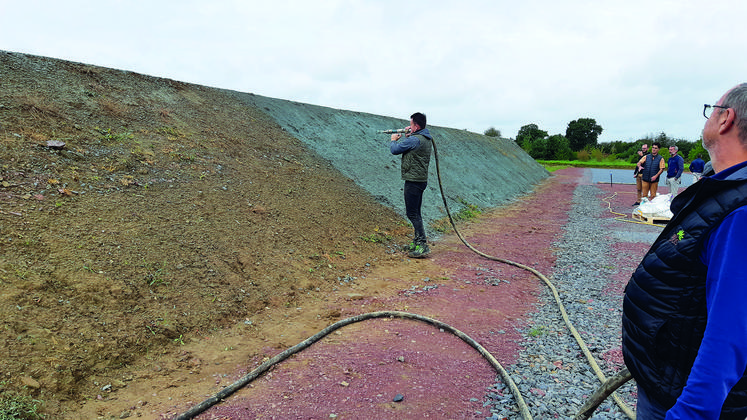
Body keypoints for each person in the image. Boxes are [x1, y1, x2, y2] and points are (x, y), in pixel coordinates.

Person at [622, 83, 747, 419]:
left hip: (677, 399)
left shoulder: (740, 212)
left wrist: (691, 413)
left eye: (712, 109)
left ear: (725, 119)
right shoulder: (726, 189)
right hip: (665, 378)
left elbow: (731, 333)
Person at [390, 112, 433, 258]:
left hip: (413, 181)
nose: (409, 126)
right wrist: (410, 135)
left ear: (416, 125)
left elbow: (394, 150)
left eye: (411, 124)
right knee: (416, 213)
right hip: (420, 180)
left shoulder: (415, 140)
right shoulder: (424, 138)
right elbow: (414, 147)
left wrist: (393, 140)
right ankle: (416, 241)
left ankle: (422, 245)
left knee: (412, 213)